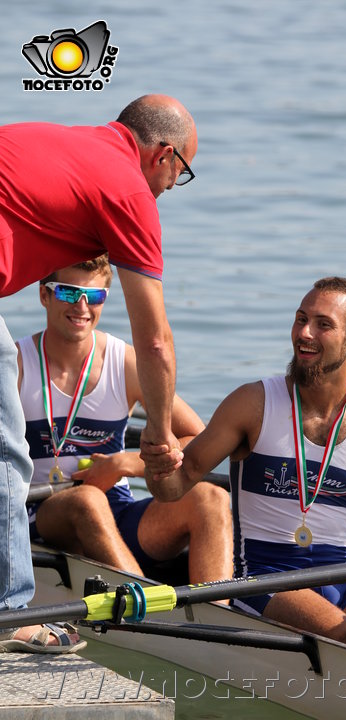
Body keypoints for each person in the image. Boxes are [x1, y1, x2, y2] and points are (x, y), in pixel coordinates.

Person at [144, 276, 346, 679]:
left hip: (342, 574)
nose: (304, 333)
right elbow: (173, 486)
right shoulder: (253, 404)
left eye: (322, 324)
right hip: (263, 578)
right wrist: (158, 465)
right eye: (300, 319)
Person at [0, 94, 197, 651]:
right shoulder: (129, 189)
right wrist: (157, 433)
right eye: (179, 175)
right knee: (6, 453)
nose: (168, 191)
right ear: (163, 155)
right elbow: (154, 336)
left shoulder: (56, 140)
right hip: (66, 505)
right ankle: (13, 616)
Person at [17, 256, 233, 585]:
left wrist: (125, 464)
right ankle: (147, 615)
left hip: (116, 507)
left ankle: (215, 619)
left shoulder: (125, 362)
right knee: (87, 501)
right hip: (40, 512)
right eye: (69, 293)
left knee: (212, 498)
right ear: (44, 294)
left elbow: (200, 441)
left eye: (95, 296)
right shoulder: (16, 365)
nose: (83, 308)